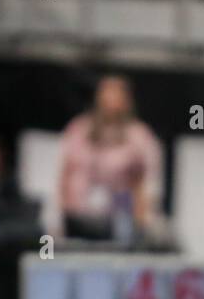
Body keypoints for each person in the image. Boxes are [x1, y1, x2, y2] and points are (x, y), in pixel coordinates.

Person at [57, 74, 163, 243]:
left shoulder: (140, 137)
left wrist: (144, 221)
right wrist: (57, 219)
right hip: (77, 221)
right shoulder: (78, 130)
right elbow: (62, 176)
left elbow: (149, 183)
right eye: (106, 92)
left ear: (127, 100)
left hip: (119, 224)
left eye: (116, 93)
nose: (110, 99)